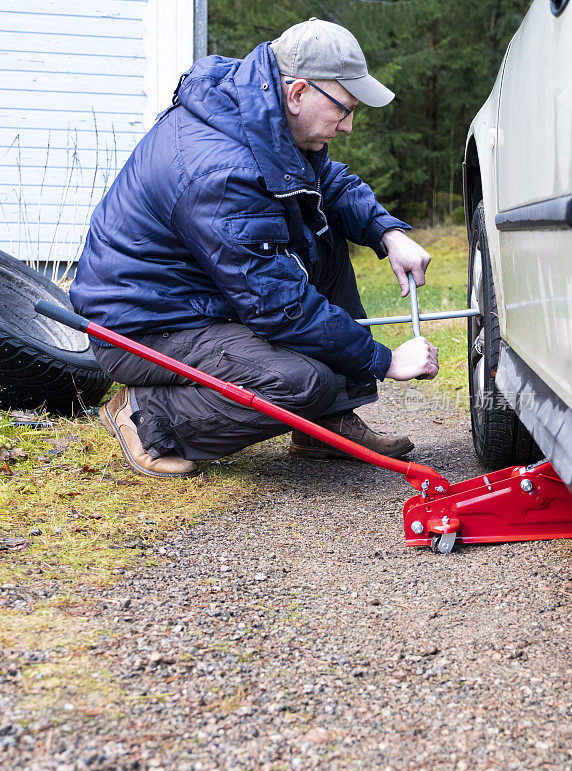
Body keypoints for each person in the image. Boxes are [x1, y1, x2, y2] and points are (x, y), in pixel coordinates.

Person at [70, 18, 439, 479]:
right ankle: (150, 414)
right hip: (146, 326)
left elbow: (327, 182)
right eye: (343, 109)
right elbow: (277, 306)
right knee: (302, 382)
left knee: (323, 233)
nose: (347, 126)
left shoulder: (262, 116)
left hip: (204, 296)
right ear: (298, 91)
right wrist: (383, 359)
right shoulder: (222, 173)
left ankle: (325, 425)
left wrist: (388, 232)